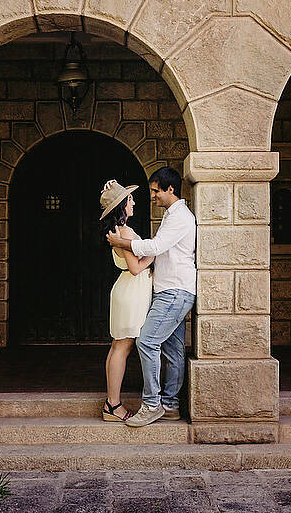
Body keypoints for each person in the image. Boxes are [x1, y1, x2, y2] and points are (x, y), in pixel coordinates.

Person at [106, 166, 195, 428]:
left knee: (146, 342)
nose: (152, 196)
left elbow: (155, 247)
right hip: (170, 290)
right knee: (173, 349)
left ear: (170, 189)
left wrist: (123, 244)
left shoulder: (180, 217)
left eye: (156, 191)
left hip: (174, 292)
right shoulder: (172, 216)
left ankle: (152, 404)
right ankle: (170, 405)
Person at [96, 179, 154, 422]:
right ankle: (113, 405)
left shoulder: (119, 230)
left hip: (126, 291)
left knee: (117, 346)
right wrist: (154, 253)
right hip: (131, 291)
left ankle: (112, 402)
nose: (133, 202)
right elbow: (135, 268)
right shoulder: (126, 231)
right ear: (121, 205)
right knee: (122, 347)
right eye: (129, 199)